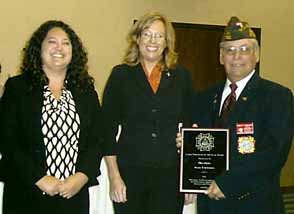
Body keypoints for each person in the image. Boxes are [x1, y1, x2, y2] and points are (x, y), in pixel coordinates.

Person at [177, 16, 294, 214]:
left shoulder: (277, 96)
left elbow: (273, 154)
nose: (236, 57)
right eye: (229, 50)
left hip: (254, 203)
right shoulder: (204, 97)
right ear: (221, 57)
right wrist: (186, 150)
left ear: (256, 55)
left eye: (244, 49)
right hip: (210, 205)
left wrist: (227, 182)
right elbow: (198, 147)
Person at [0, 20, 103, 214]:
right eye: (52, 42)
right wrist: (39, 178)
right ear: (39, 48)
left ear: (74, 51)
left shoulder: (85, 91)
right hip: (27, 193)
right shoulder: (17, 88)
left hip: (73, 195)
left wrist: (81, 176)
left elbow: (97, 139)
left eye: (66, 43)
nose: (59, 48)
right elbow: (7, 140)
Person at [102, 12, 194, 214]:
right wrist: (114, 176)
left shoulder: (182, 76)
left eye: (159, 36)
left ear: (167, 41)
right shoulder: (120, 75)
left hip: (170, 177)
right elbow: (106, 130)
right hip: (129, 175)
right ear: (138, 38)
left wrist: (191, 179)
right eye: (147, 34)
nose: (153, 41)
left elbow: (192, 126)